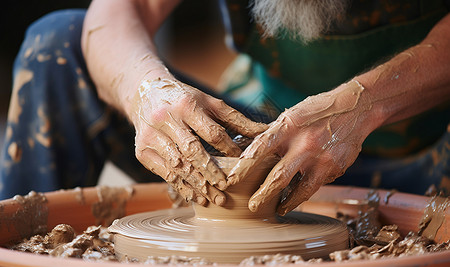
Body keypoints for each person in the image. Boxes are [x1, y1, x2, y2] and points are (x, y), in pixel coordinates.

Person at [1, 1, 449, 218]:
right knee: (57, 44)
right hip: (271, 145)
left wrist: (359, 106)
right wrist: (144, 91)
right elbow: (121, 11)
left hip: (430, 162)